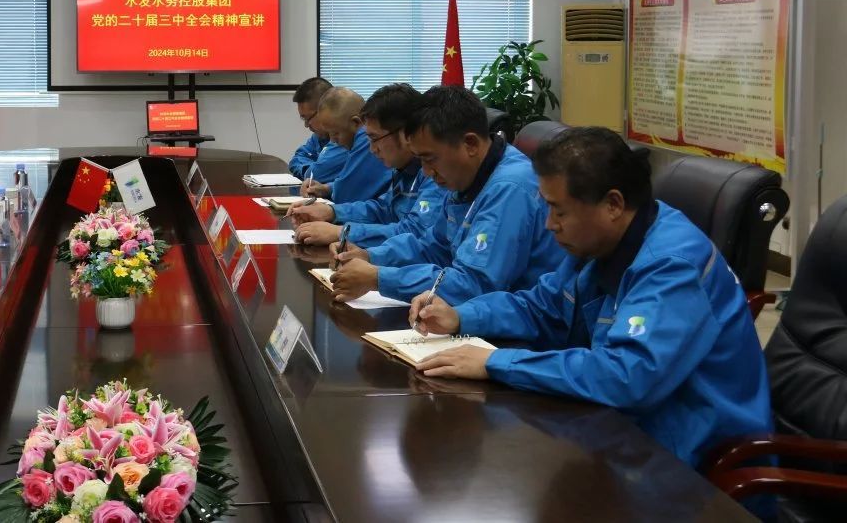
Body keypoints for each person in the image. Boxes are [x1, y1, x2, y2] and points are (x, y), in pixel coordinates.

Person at [412, 126, 772, 470]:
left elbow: (627, 376)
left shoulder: (672, 265)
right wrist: (461, 316)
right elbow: (542, 307)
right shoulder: (602, 240)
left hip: (694, 465)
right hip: (623, 433)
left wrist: (496, 362)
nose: (550, 224)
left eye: (559, 211)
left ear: (613, 204)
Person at [328, 85, 563, 303]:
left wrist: (380, 278)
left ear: (470, 144)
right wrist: (370, 256)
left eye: (430, 159)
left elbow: (474, 284)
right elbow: (433, 246)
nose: (426, 172)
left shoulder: (510, 188)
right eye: (420, 160)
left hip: (520, 323)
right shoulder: (467, 175)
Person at [290, 83, 444, 248]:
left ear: (406, 133)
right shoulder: (404, 169)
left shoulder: (436, 173)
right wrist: (332, 212)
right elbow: (384, 209)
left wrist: (342, 232)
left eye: (375, 139)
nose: (372, 149)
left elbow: (415, 234)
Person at [297, 87, 391, 205]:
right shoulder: (356, 138)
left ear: (356, 122)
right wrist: (327, 188)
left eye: (336, 133)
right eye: (330, 134)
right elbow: (355, 184)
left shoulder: (365, 140)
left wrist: (332, 192)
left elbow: (345, 195)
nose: (333, 140)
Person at [288, 76, 348, 183]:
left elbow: (316, 175)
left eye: (308, 118)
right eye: (303, 119)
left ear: (325, 110)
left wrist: (312, 171)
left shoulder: (344, 137)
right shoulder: (319, 136)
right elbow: (297, 158)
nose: (306, 125)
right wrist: (309, 169)